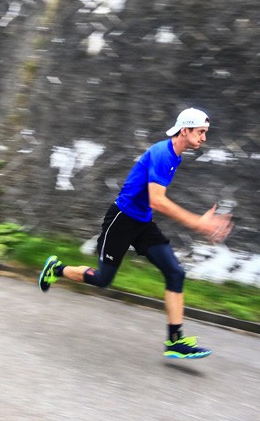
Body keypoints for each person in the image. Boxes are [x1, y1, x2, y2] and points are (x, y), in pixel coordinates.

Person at [38, 108, 233, 359]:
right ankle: (56, 269)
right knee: (102, 279)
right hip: (121, 220)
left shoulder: (175, 156)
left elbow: (152, 201)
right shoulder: (163, 154)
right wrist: (198, 223)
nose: (204, 138)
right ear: (185, 130)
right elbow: (157, 200)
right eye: (201, 132)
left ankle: (175, 341)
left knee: (175, 272)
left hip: (142, 223)